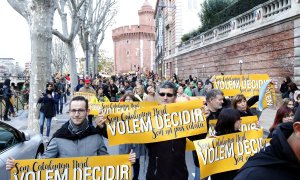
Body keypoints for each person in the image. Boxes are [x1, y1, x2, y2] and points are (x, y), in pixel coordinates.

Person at [6, 96, 136, 170]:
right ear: (69, 112)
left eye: (80, 110)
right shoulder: (58, 137)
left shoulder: (96, 135)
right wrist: (17, 166)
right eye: (73, 110)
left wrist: (125, 161)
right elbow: (43, 164)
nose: (77, 114)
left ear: (87, 111)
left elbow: (107, 161)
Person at [145, 81, 206, 180]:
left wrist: (203, 119)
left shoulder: (183, 116)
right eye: (162, 94)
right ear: (157, 95)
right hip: (156, 173)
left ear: (174, 97)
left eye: (169, 95)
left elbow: (198, 137)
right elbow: (131, 136)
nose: (165, 97)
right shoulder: (148, 116)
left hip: (179, 173)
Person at [234, 108, 300, 179]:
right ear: (298, 129)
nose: (290, 118)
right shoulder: (253, 175)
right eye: (286, 116)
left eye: (291, 115)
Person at [119, 92, 145, 180]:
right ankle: (125, 176)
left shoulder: (139, 110)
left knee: (136, 160)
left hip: (135, 139)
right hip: (124, 139)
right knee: (124, 159)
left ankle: (135, 177)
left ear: (133, 101)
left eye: (130, 99)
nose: (128, 101)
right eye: (126, 99)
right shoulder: (119, 111)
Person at [210, 108, 241, 180]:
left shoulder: (241, 135)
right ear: (230, 121)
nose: (240, 122)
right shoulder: (215, 139)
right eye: (238, 120)